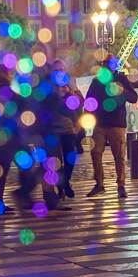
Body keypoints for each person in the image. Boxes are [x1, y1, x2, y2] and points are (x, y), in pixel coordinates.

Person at [0, 62, 36, 215]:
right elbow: (20, 104)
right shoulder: (5, 89)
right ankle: (23, 194)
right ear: (5, 74)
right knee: (28, 165)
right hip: (13, 136)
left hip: (0, 136)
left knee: (1, 171)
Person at [85, 58, 138, 198]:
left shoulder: (121, 78)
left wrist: (122, 90)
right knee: (96, 153)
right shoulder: (97, 81)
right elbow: (89, 100)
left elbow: (134, 97)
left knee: (119, 155)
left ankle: (121, 185)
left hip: (116, 123)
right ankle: (99, 184)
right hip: (100, 123)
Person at [41, 61, 83, 200]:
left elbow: (80, 101)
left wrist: (69, 93)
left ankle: (65, 181)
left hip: (68, 128)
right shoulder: (49, 86)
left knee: (70, 158)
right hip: (53, 129)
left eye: (62, 69)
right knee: (57, 161)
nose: (60, 71)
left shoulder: (69, 83)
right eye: (58, 69)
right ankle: (61, 189)